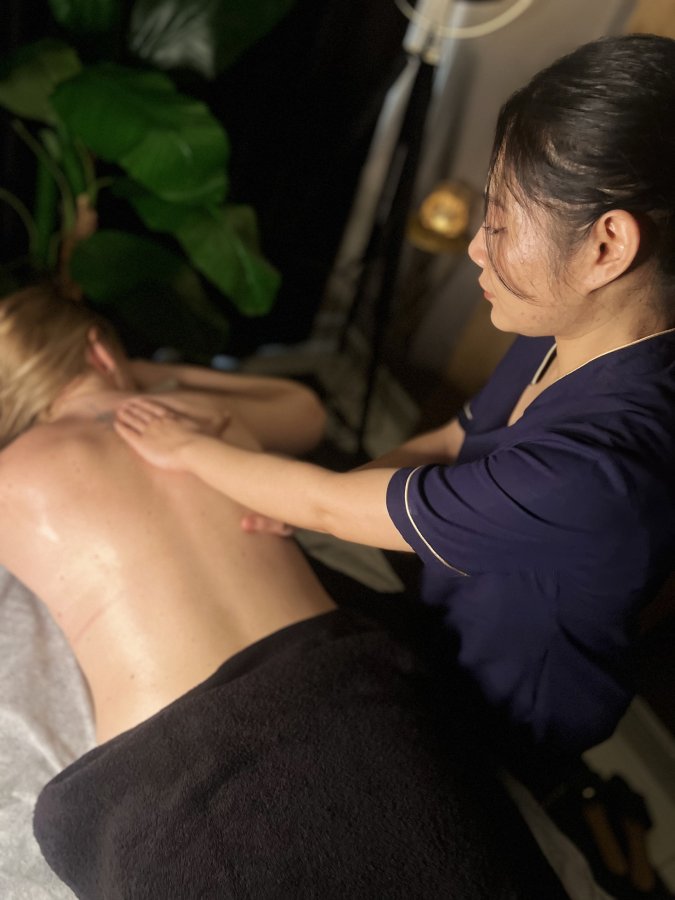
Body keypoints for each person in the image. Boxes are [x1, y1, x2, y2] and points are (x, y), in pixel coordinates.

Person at [115, 33, 675, 772]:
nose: (476, 246)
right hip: (446, 614)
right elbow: (450, 441)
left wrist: (187, 447)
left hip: (505, 707)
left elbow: (326, 507)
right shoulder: (574, 331)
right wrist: (328, 500)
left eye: (502, 223)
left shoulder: (595, 472)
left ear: (606, 246)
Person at [0, 283, 558, 898]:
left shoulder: (9, 478)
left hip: (164, 760)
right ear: (100, 349)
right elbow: (302, 406)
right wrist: (144, 375)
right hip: (336, 688)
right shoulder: (196, 417)